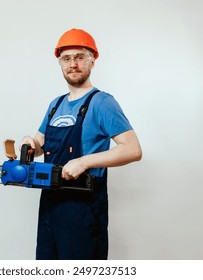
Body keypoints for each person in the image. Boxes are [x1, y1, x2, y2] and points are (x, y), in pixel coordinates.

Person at [22, 28, 142, 260]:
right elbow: (40, 143)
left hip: (83, 208)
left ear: (92, 61)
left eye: (79, 57)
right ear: (60, 64)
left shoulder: (103, 103)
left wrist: (84, 161)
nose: (73, 64)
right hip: (50, 205)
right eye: (66, 59)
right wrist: (31, 143)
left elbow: (132, 149)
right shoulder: (55, 105)